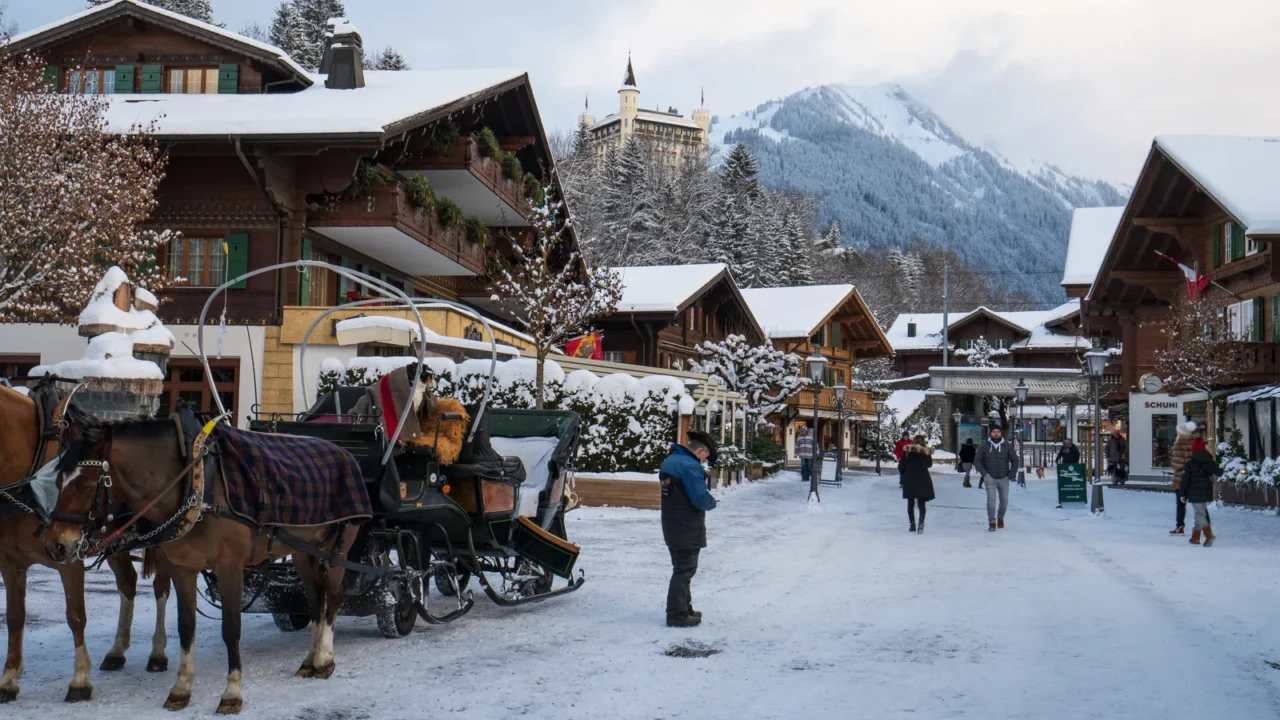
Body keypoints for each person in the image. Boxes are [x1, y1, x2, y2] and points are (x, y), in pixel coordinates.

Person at [659, 430, 719, 627]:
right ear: (701, 451)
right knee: (685, 570)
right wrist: (712, 502)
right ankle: (677, 614)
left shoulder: (671, 461)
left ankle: (685, 608)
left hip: (671, 522)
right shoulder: (690, 466)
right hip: (687, 525)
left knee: (681, 568)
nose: (704, 461)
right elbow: (699, 498)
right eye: (706, 457)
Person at [974, 425, 1018, 531]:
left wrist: (1010, 475)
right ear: (990, 433)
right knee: (991, 500)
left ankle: (1000, 518)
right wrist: (985, 474)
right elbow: (977, 461)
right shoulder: (984, 446)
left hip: (1004, 478)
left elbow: (1015, 460)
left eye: (998, 431)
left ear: (1001, 433)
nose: (996, 433)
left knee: (1004, 501)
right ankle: (992, 522)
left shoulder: (1007, 446)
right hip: (990, 477)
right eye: (994, 431)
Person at [1179, 441, 1220, 547]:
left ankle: (1209, 535)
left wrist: (1182, 494)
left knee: (1199, 514)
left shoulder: (1190, 463)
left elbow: (1185, 480)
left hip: (1194, 492)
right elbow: (1219, 471)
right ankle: (1195, 537)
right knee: (1199, 513)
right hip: (1206, 492)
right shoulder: (1209, 460)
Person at [900, 434, 936, 534]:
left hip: (909, 477)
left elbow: (901, 465)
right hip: (923, 478)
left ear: (914, 441)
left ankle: (912, 524)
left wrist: (904, 473)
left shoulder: (907, 451)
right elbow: (929, 464)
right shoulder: (926, 452)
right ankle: (921, 522)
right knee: (921, 502)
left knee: (910, 502)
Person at [1169, 422, 1197, 535]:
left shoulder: (1179, 443)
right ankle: (1205, 526)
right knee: (1198, 503)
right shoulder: (1194, 442)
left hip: (1181, 479)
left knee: (1180, 504)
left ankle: (1180, 526)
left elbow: (1177, 463)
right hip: (1193, 477)